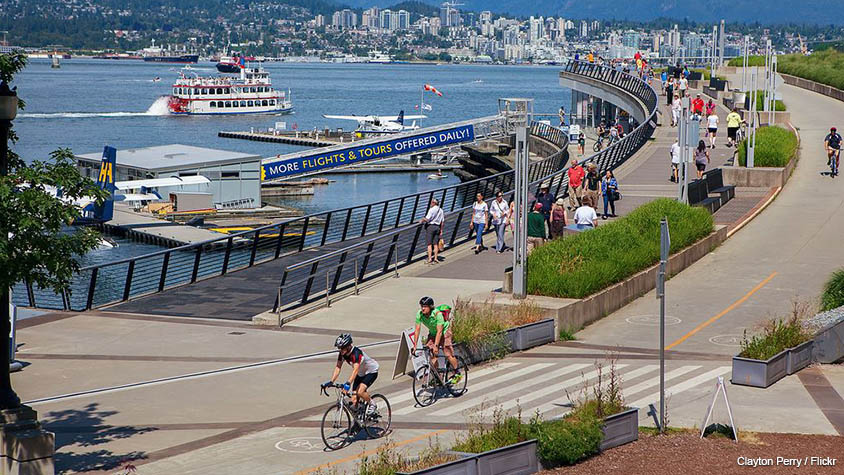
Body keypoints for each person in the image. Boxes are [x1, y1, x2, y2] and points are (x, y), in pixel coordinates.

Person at [323, 333, 379, 415]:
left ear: (348, 346)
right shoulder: (342, 354)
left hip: (371, 372)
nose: (340, 350)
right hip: (360, 374)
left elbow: (355, 370)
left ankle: (372, 404)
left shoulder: (356, 353)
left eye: (342, 348)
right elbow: (338, 367)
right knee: (354, 400)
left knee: (360, 392)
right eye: (339, 348)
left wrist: (348, 384)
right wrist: (331, 381)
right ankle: (358, 423)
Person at [412, 297, 460, 383]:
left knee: (447, 353)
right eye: (422, 306)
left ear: (430, 307)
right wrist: (415, 346)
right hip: (433, 333)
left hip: (444, 331)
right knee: (431, 353)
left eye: (425, 306)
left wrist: (436, 346)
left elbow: (440, 331)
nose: (423, 308)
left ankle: (457, 373)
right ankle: (438, 376)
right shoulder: (419, 314)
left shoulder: (437, 315)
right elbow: (417, 330)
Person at [420, 198, 444, 265]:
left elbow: (427, 219)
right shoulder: (441, 210)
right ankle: (436, 258)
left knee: (429, 244)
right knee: (435, 244)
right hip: (437, 227)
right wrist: (441, 230)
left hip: (431, 227)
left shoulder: (431, 210)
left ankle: (430, 259)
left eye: (431, 202)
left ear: (433, 203)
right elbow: (442, 222)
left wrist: (422, 219)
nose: (430, 204)